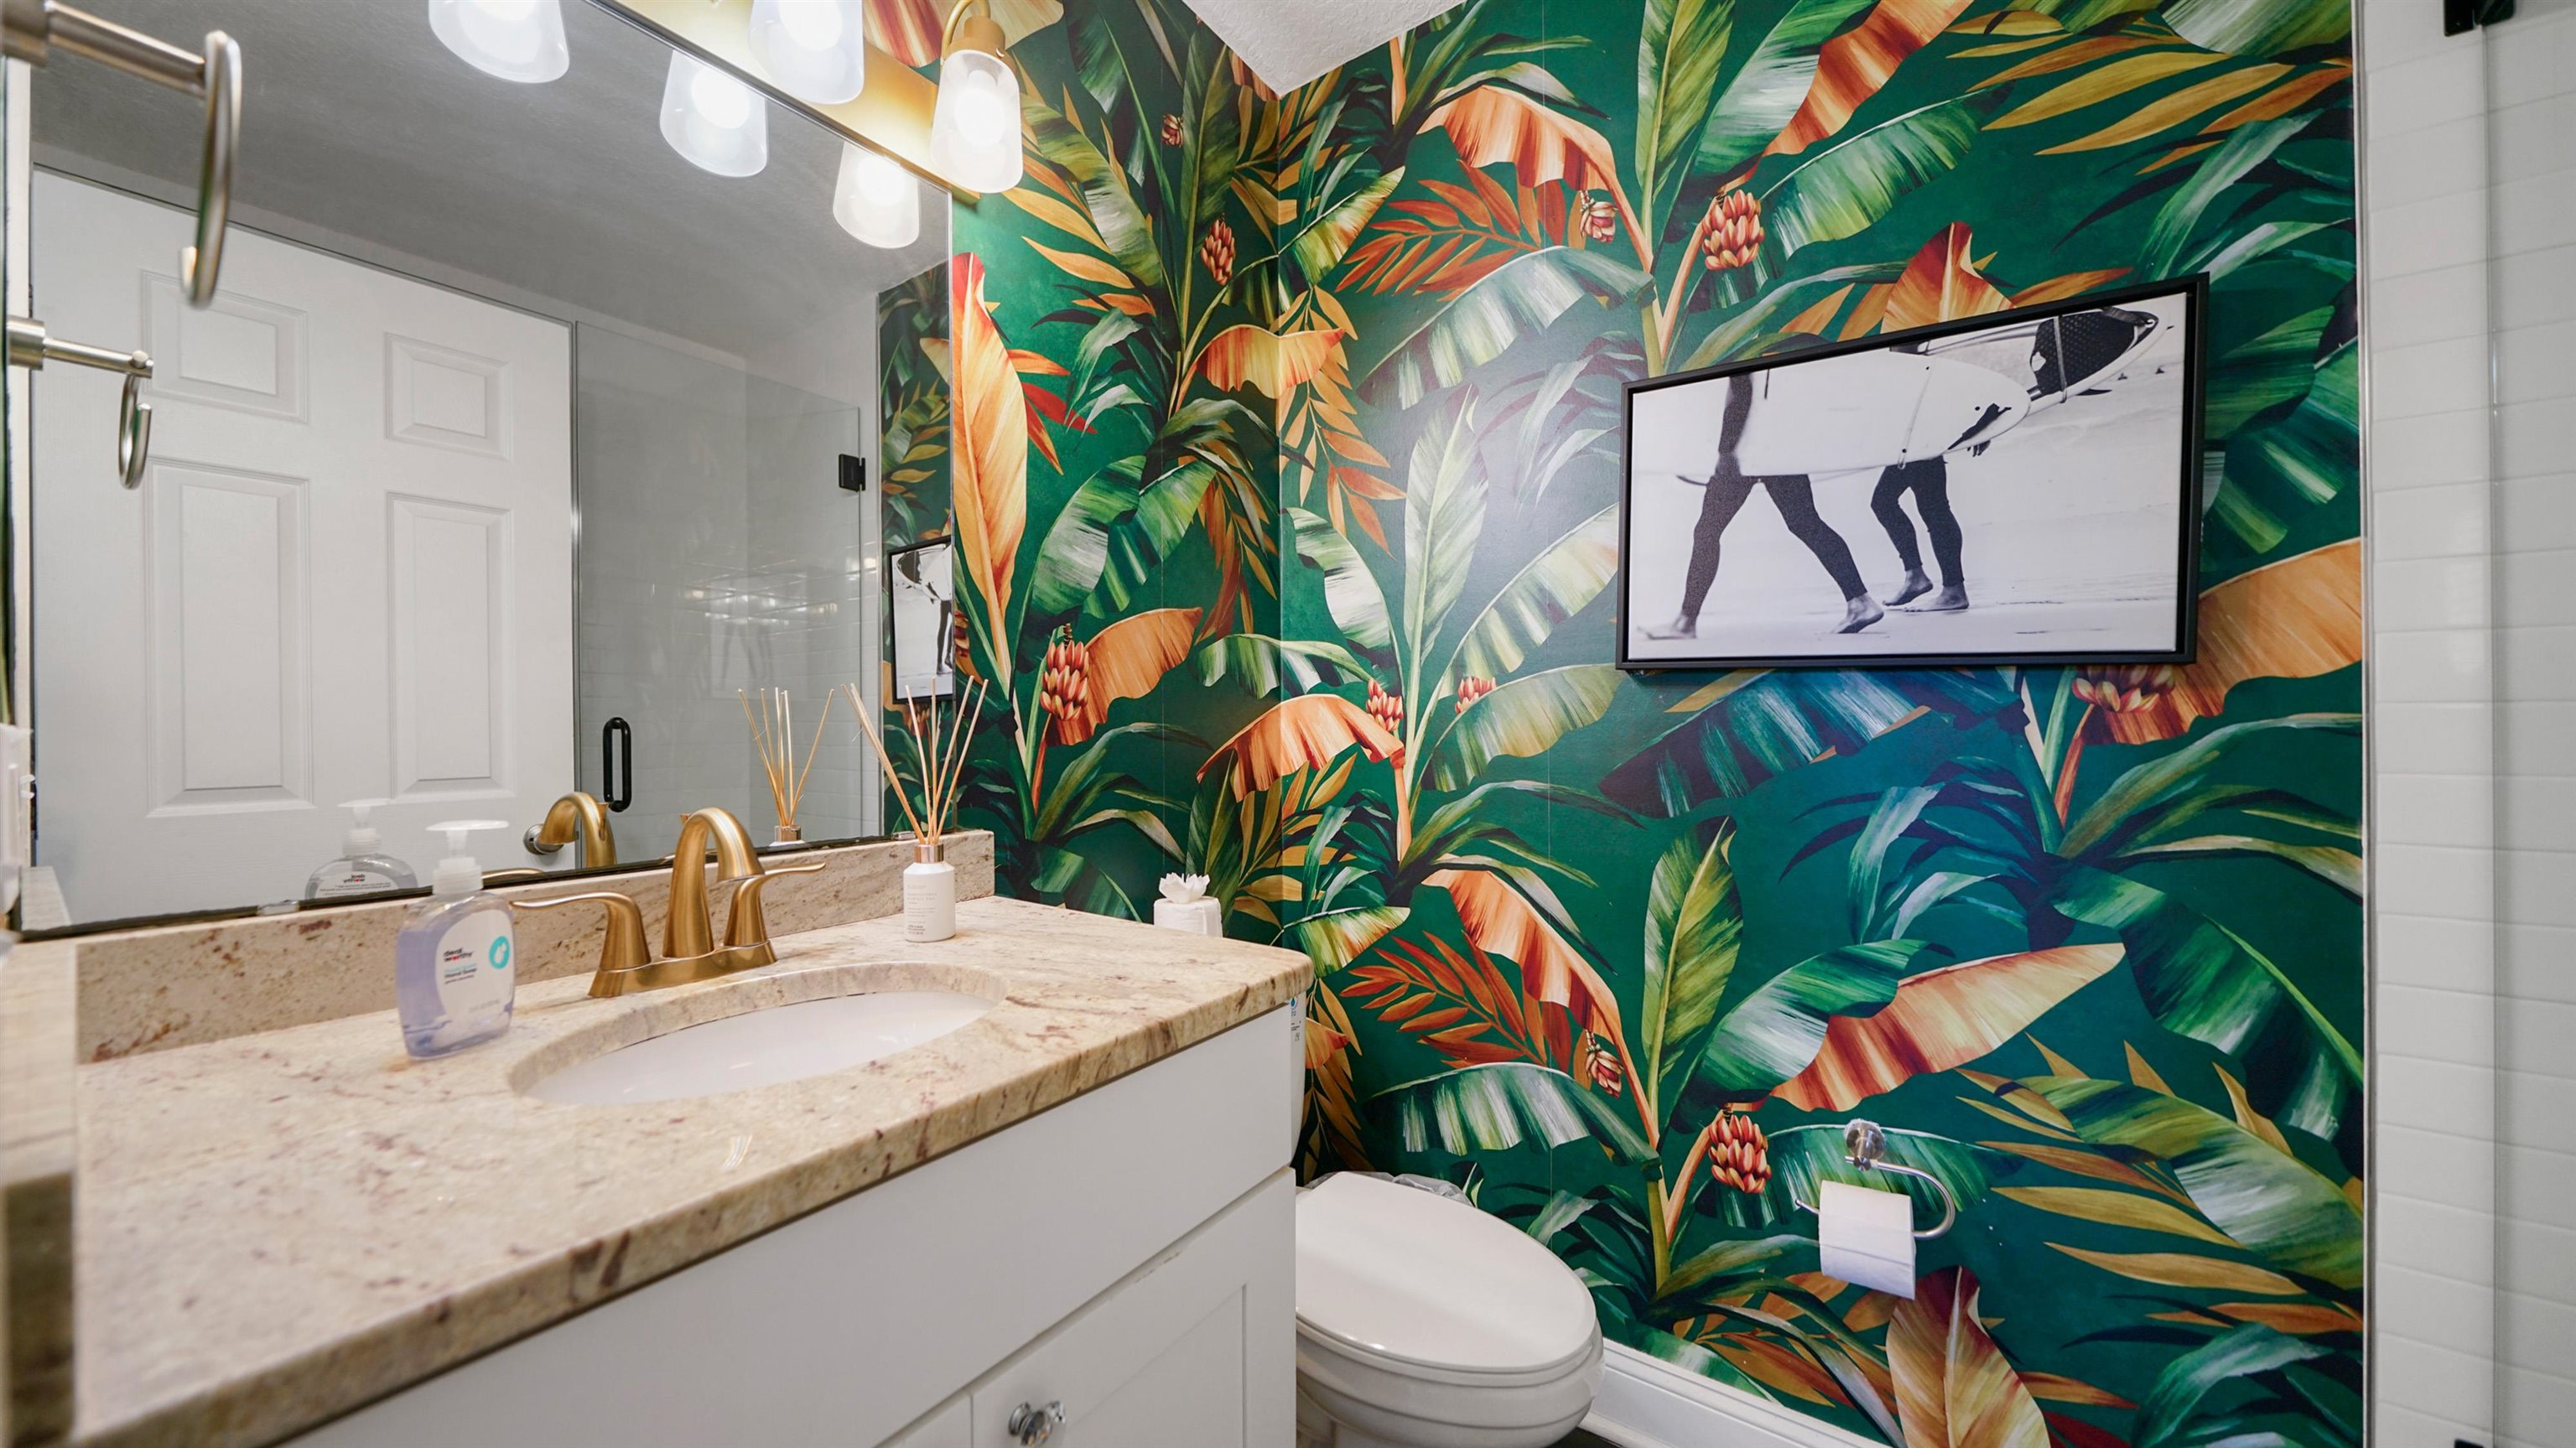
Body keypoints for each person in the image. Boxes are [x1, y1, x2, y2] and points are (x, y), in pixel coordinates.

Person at [1645, 371, 1883, 641]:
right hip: (1780, 445)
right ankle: (1860, 600)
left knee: (1707, 532)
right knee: (1805, 523)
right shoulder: (1781, 352)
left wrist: (1726, 450)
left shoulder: (1747, 347)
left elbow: (1741, 393)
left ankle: (1685, 623)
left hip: (1747, 452)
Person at [1870, 454, 1970, 611]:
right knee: (1932, 506)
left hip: (1916, 440)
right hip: (1921, 439)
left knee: (1886, 502)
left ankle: (1949, 589)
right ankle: (1941, 584)